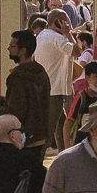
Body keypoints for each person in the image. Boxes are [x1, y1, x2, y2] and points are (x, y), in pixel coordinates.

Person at [3, 28, 53, 156]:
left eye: (12, 46)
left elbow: (15, 111)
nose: (9, 49)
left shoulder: (18, 77)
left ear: (23, 50)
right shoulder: (41, 73)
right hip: (40, 136)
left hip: (23, 138)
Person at [33, 12, 75, 140]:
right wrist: (68, 34)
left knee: (60, 124)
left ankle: (62, 152)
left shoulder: (41, 36)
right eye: (65, 21)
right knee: (52, 128)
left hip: (47, 87)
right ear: (58, 22)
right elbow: (77, 51)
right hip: (56, 89)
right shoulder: (58, 38)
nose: (68, 25)